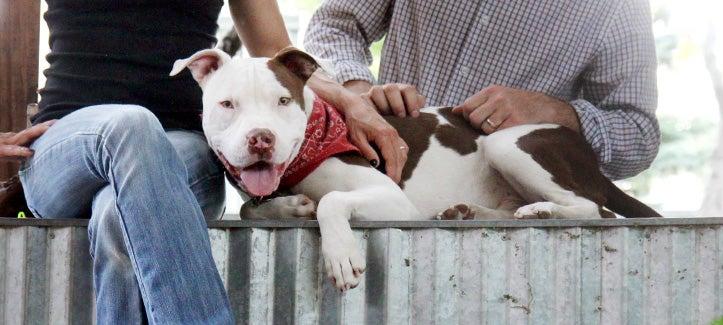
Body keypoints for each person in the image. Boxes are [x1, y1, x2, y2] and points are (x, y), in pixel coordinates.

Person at [8, 0, 407, 323]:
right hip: (67, 143)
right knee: (132, 122)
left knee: (117, 213)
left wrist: (349, 100)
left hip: (179, 148)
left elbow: (273, 48)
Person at [304, 0, 661, 180]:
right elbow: (334, 26)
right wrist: (358, 97)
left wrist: (554, 113)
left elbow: (638, 135)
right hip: (382, 182)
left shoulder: (617, 7)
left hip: (505, 221)